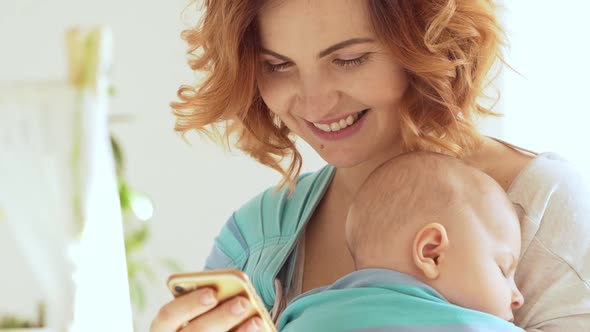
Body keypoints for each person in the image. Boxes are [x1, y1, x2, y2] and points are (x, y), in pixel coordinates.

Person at [150, 0, 590, 331]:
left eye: (349, 59)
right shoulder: (255, 241)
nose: (315, 102)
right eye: (278, 65)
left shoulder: (545, 210)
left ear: (423, 42)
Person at [277, 151, 525, 331]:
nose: (518, 297)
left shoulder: (303, 315)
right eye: (503, 270)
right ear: (431, 252)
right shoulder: (471, 325)